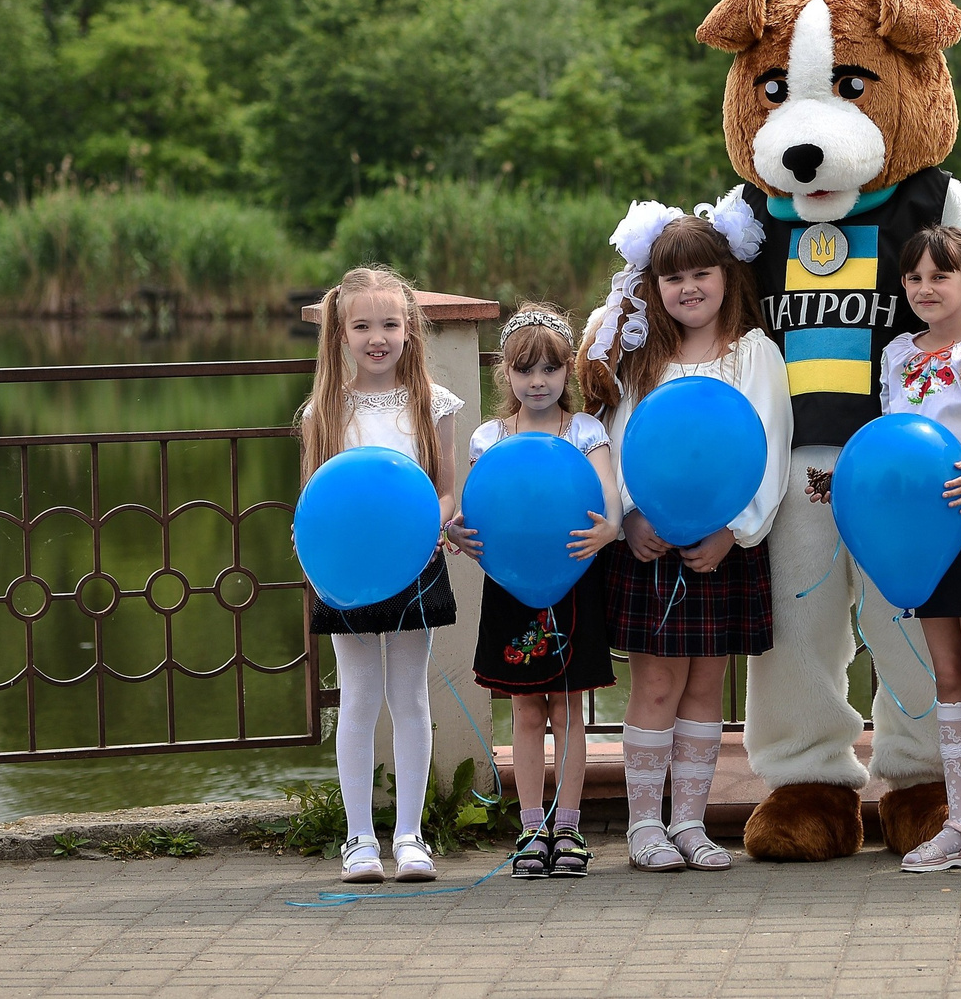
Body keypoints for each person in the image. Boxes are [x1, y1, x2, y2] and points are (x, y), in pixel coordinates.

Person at [806, 226, 961, 875]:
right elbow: (887, 433)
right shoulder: (897, 352)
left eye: (941, 275)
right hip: (915, 531)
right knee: (948, 677)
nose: (926, 288)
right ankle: (960, 821)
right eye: (914, 278)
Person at [584, 197, 791, 873]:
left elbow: (769, 443)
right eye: (674, 277)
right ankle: (643, 822)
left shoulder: (754, 355)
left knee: (706, 685)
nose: (689, 287)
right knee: (655, 686)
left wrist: (739, 528)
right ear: (655, 286)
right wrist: (633, 514)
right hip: (653, 545)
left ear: (729, 276)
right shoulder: (646, 358)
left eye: (702, 271)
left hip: (722, 545)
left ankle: (690, 821)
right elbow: (621, 442)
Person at [299, 266, 464, 886]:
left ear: (410, 330)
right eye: (363, 325)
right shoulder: (325, 408)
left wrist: (429, 530)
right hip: (346, 569)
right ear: (340, 334)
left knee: (411, 695)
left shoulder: (433, 404)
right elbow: (316, 496)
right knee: (359, 698)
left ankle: (411, 836)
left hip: (416, 564)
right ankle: (359, 838)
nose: (378, 337)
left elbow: (447, 493)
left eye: (390, 324)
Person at [447, 302, 619, 879]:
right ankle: (529, 828)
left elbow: (605, 493)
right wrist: (459, 533)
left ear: (567, 371)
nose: (538, 381)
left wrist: (612, 525)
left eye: (549, 369)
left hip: (571, 579)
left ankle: (567, 828)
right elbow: (475, 507)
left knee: (570, 708)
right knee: (524, 708)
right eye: (525, 370)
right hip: (511, 585)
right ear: (506, 374)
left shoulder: (585, 430)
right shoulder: (489, 436)